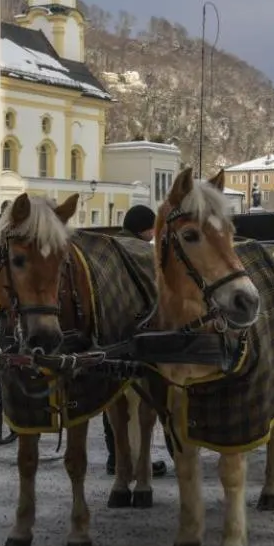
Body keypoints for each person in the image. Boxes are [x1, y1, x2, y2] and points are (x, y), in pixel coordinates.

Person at [105, 204, 171, 477]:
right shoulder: (145, 252)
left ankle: (116, 459)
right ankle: (150, 456)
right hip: (139, 333)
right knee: (154, 399)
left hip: (107, 333)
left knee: (112, 404)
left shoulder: (108, 247)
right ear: (147, 231)